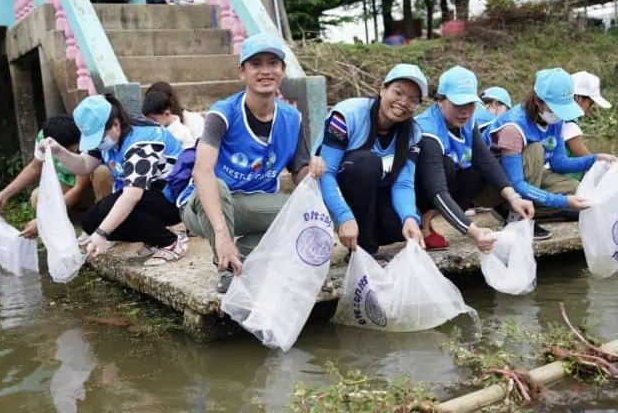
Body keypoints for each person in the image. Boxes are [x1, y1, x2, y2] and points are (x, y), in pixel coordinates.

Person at [180, 33, 324, 293]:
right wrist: (223, 236)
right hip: (204, 205)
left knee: (308, 212)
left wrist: (313, 170)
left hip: (252, 203)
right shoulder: (223, 113)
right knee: (216, 183)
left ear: (283, 70)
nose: (265, 71)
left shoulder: (292, 117)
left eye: (273, 63)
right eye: (256, 64)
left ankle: (245, 254)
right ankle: (225, 265)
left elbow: (299, 172)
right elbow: (202, 173)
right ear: (242, 72)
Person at [38, 94, 185, 266]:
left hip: (173, 198)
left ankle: (171, 241)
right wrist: (58, 151)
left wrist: (102, 234)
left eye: (99, 137)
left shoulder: (142, 141)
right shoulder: (109, 140)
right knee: (91, 221)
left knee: (108, 212)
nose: (98, 143)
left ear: (116, 124)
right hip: (147, 196)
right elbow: (84, 166)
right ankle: (153, 237)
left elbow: (132, 196)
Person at [483, 68, 617, 238]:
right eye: (556, 108)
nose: (560, 115)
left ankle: (519, 210)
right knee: (536, 150)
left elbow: (558, 163)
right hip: (496, 188)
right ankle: (517, 217)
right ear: (538, 102)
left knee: (577, 191)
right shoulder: (513, 128)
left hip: (526, 179)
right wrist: (564, 202)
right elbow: (517, 184)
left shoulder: (555, 120)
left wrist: (595, 159)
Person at [415, 67, 535, 250]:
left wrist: (514, 197)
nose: (465, 111)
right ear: (440, 100)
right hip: (415, 190)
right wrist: (473, 232)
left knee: (475, 174)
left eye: (470, 104)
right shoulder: (428, 131)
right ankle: (423, 226)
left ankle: (428, 220)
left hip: (442, 182)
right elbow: (436, 190)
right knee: (446, 164)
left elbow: (485, 159)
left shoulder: (469, 121)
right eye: (457, 104)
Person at [316, 64, 427, 257]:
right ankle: (363, 249)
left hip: (370, 198)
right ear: (382, 89)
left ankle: (364, 237)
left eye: (412, 100)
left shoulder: (413, 133)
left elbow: (403, 183)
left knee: (400, 223)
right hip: (332, 197)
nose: (403, 102)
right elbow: (326, 173)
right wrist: (343, 217)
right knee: (366, 162)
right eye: (398, 93)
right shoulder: (347, 114)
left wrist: (409, 218)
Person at [0, 115, 94, 239]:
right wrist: (3, 195)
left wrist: (43, 221)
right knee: (38, 196)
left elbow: (79, 189)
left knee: (102, 174)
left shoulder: (85, 141)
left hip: (92, 190)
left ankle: (98, 226)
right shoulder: (44, 139)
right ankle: (68, 230)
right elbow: (35, 167)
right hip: (69, 184)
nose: (72, 152)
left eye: (72, 149)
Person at [562, 71, 611, 181]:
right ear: (578, 98)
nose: (590, 109)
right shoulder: (569, 125)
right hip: (564, 183)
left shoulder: (559, 117)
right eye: (591, 103)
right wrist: (617, 184)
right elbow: (588, 160)